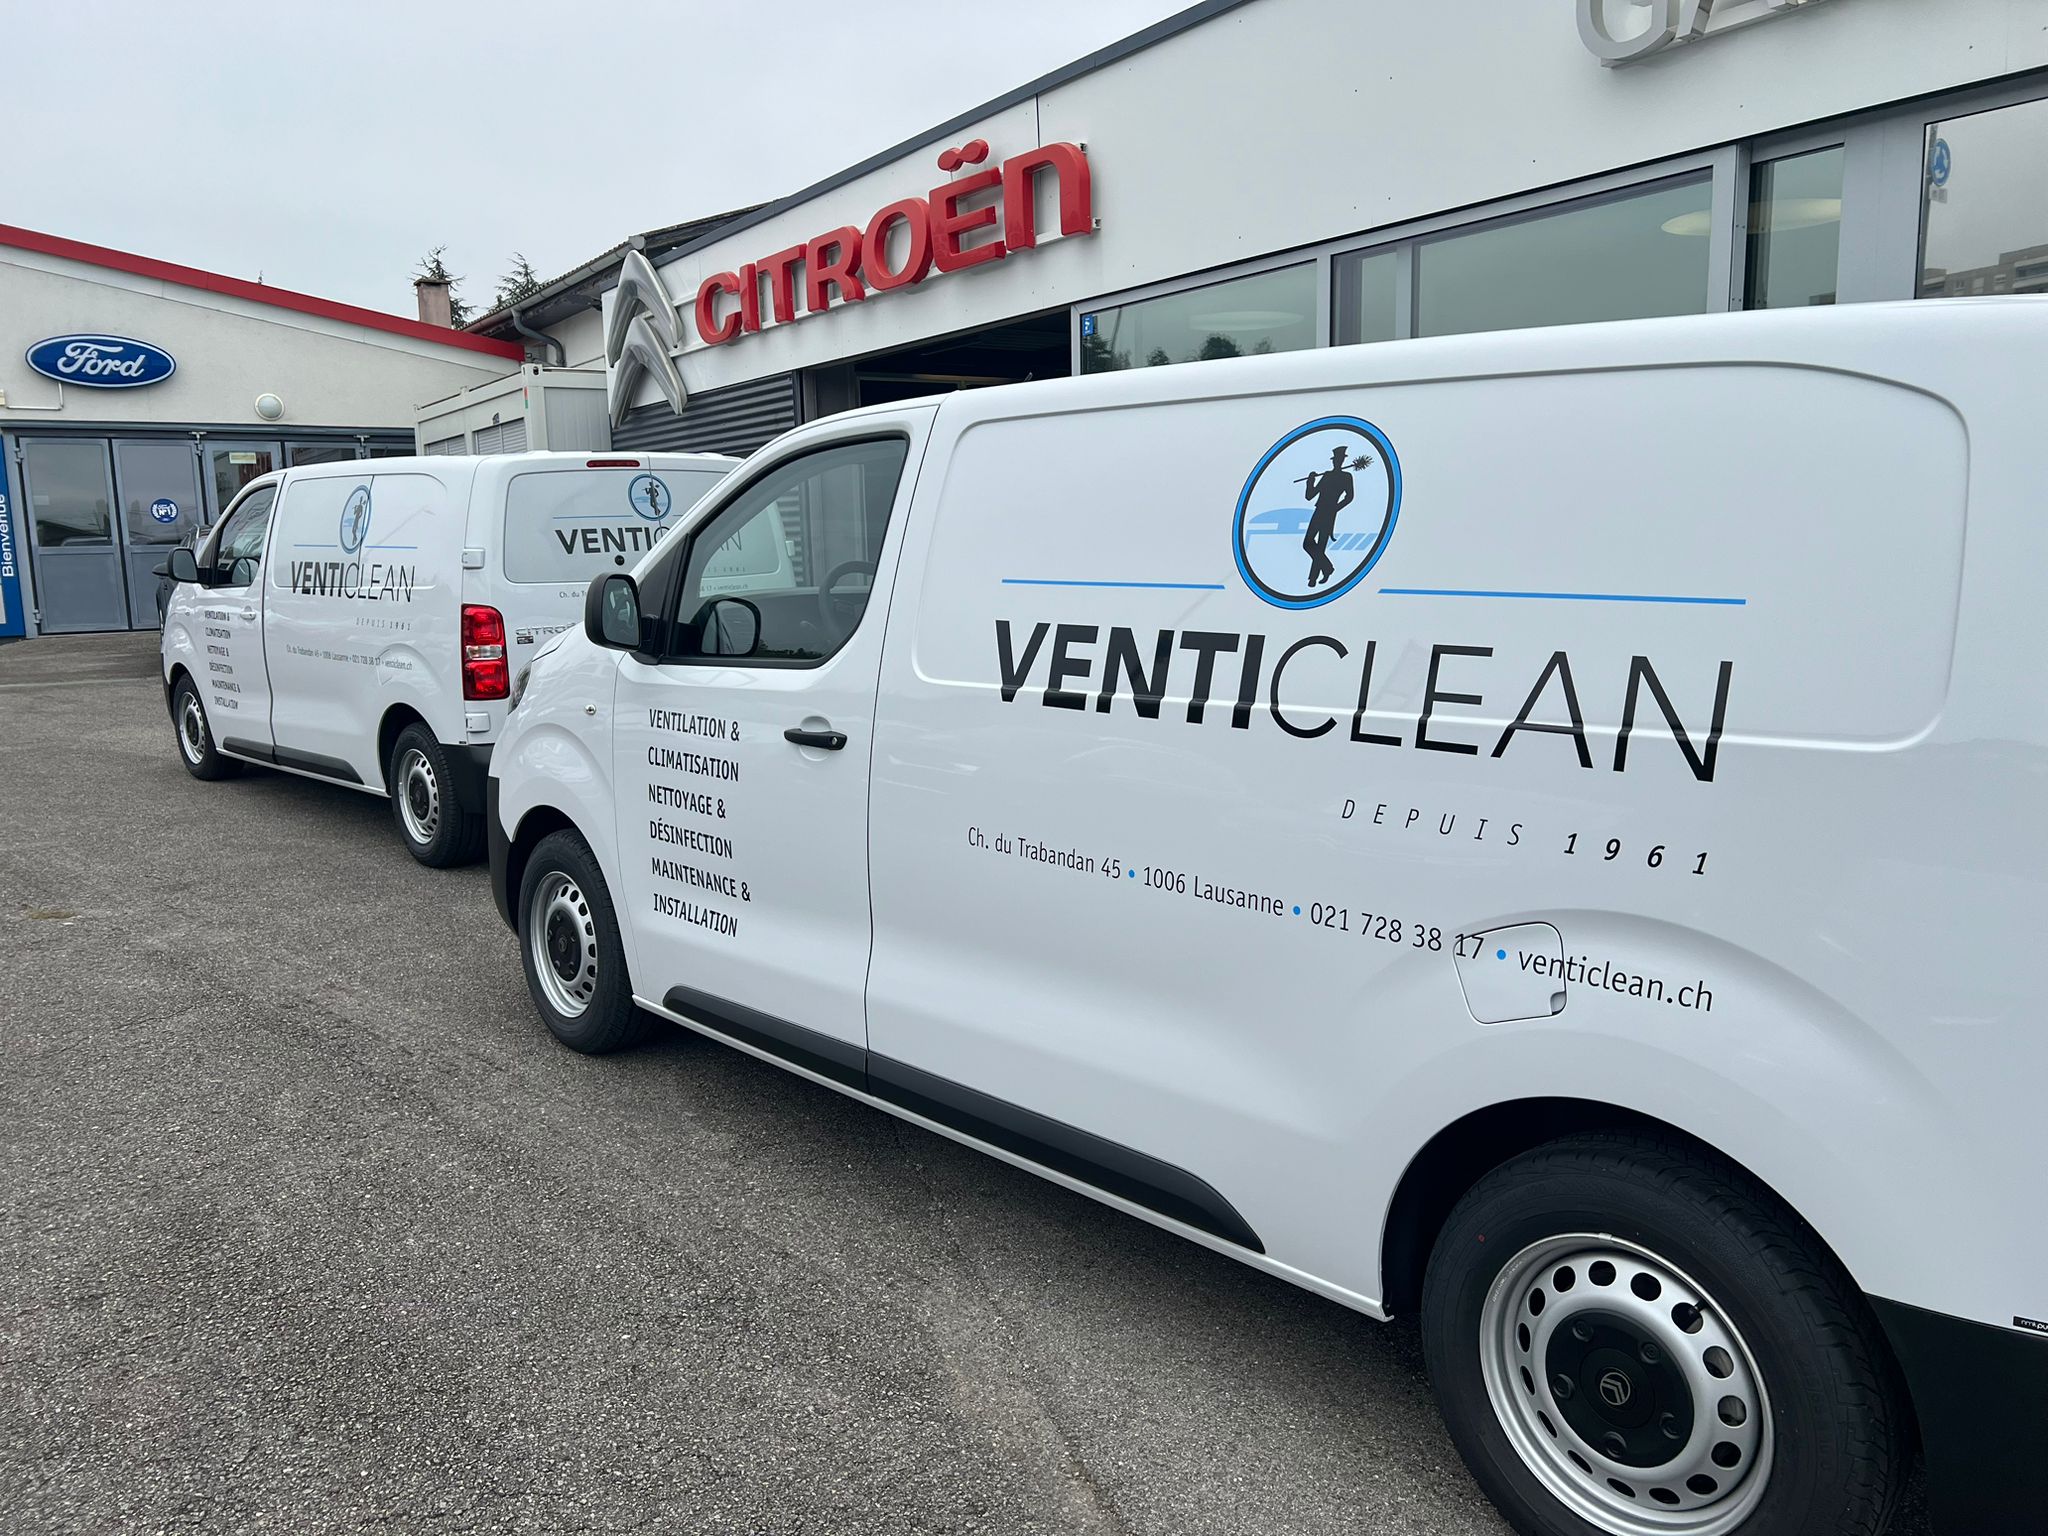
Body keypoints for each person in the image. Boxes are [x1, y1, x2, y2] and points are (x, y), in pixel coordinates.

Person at [1301, 445, 1355, 587]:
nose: (1336, 462)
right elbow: (1309, 496)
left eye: (1339, 459)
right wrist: (1310, 482)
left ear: (1342, 461)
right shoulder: (1326, 475)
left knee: (1321, 546)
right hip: (1318, 510)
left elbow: (1350, 497)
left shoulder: (1346, 477)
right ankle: (1327, 568)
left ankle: (1313, 579)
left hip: (1329, 513)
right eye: (1335, 459)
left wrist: (1336, 508)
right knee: (1307, 543)